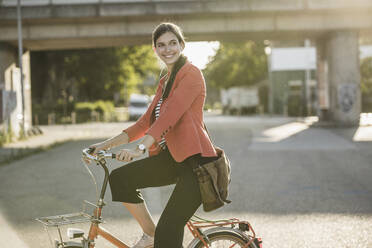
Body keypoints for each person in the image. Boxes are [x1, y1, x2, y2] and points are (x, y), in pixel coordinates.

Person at [89, 22, 218, 248]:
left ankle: (159, 237)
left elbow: (169, 117)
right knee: (120, 179)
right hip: (173, 159)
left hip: (196, 165)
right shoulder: (165, 81)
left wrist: (140, 149)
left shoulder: (191, 74)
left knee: (169, 228)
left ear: (182, 45)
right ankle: (150, 234)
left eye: (172, 43)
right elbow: (145, 122)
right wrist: (103, 146)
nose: (167, 49)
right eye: (161, 45)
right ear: (155, 49)